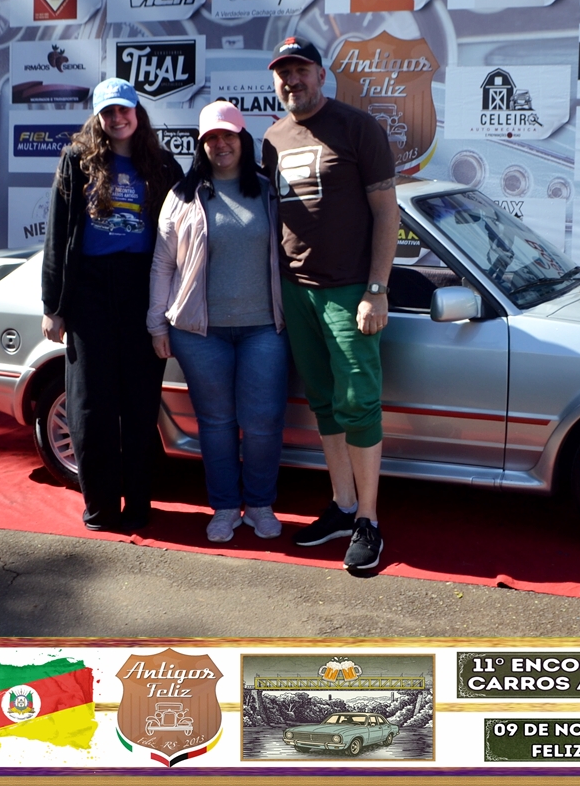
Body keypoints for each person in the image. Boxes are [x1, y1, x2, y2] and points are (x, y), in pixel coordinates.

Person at [261, 37, 398, 571]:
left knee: (358, 403)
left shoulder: (358, 127)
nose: (291, 80)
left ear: (320, 74)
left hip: (349, 291)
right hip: (296, 291)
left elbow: (387, 212)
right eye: (283, 73)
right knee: (323, 402)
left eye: (300, 70)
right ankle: (342, 505)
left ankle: (368, 520)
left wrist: (376, 289)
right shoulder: (272, 138)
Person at [41, 78, 182, 533]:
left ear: (137, 112)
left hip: (143, 288)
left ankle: (139, 505)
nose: (117, 119)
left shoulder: (162, 163)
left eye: (124, 110)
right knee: (91, 405)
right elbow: (57, 234)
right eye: (108, 112)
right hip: (90, 294)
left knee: (140, 405)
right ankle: (101, 507)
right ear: (98, 117)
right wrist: (53, 305)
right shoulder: (77, 160)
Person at [148, 101, 289, 543]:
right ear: (201, 145)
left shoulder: (268, 190)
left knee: (263, 422)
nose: (220, 144)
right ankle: (225, 506)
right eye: (211, 138)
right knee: (216, 423)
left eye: (228, 135)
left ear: (243, 139)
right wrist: (156, 325)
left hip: (264, 328)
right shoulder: (182, 195)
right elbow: (162, 265)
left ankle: (260, 504)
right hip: (199, 333)